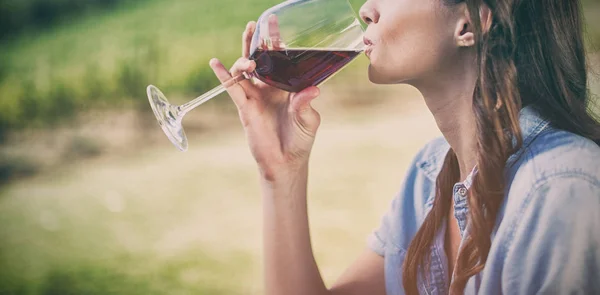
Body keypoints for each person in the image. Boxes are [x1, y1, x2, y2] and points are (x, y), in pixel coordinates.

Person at [209, 0, 600, 294]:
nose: (366, 10)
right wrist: (282, 170)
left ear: (469, 23)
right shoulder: (427, 178)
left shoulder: (560, 186)